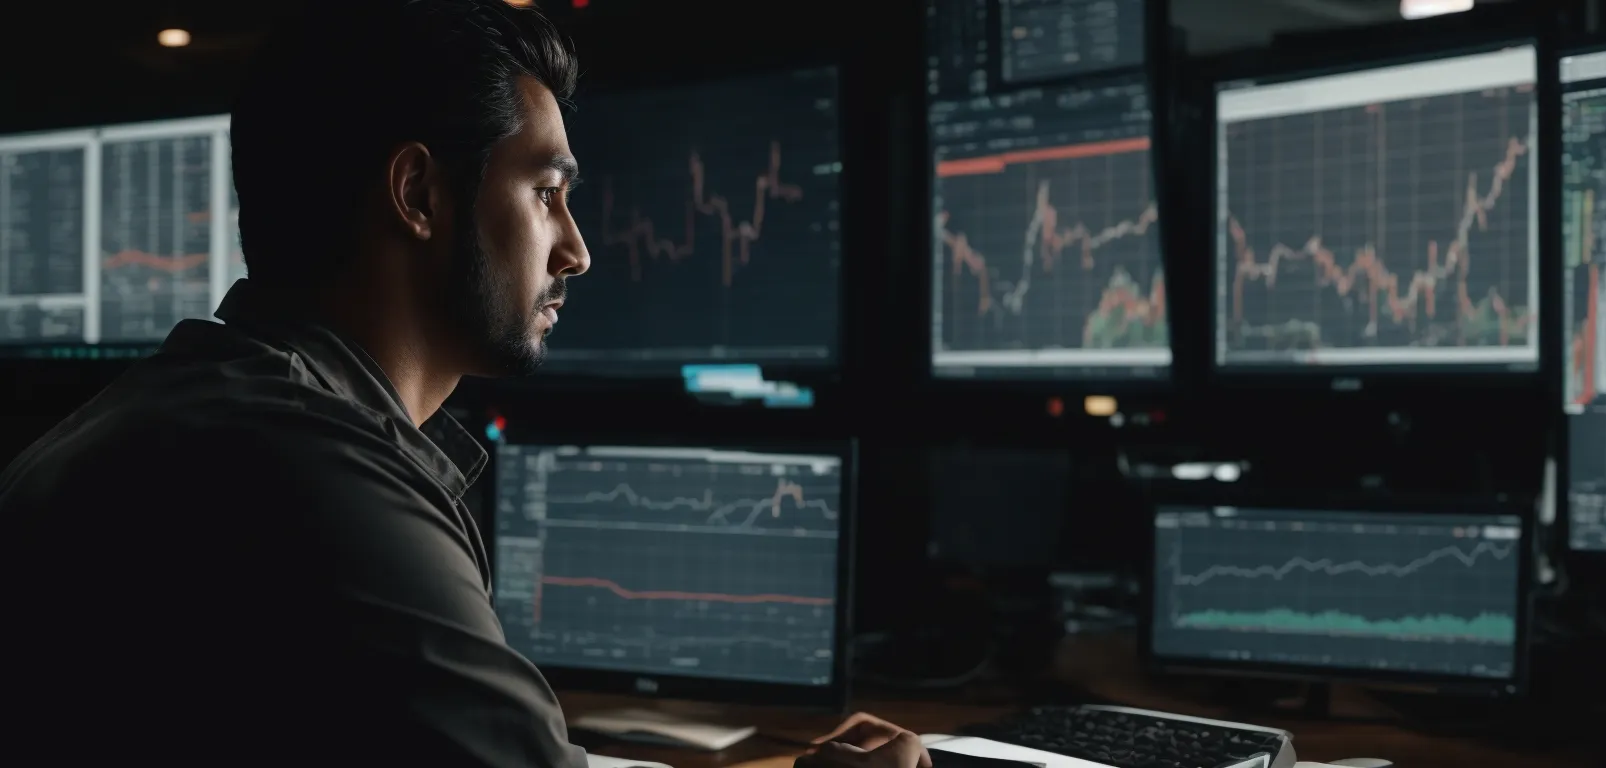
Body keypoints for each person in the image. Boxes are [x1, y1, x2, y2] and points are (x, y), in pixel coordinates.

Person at [0, 3, 926, 768]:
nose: (577, 248)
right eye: (545, 191)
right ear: (417, 194)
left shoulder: (180, 409)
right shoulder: (310, 475)